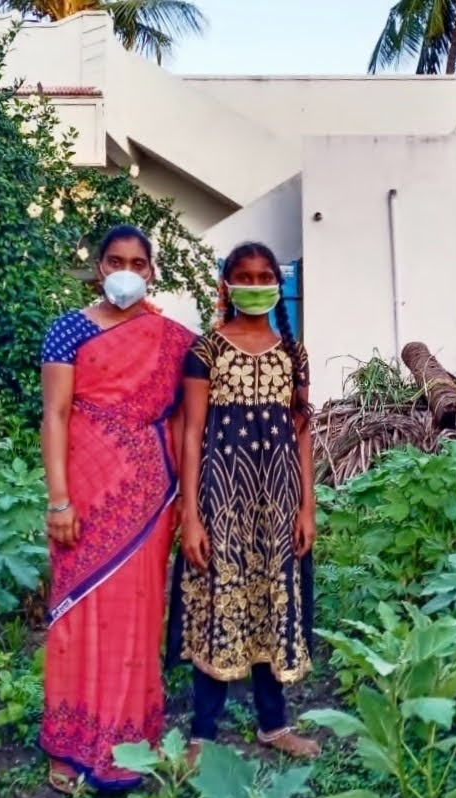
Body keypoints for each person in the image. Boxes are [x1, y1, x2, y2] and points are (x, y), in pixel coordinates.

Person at [38, 225, 196, 792]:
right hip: (83, 493)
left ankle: (130, 742)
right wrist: (58, 500)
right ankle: (69, 743)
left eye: (137, 262)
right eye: (115, 261)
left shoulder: (175, 340)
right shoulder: (68, 331)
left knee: (136, 618)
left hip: (147, 498)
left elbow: (187, 421)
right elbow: (55, 415)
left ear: (151, 271)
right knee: (75, 613)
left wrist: (187, 499)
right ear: (99, 266)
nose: (126, 272)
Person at [167, 241, 320, 763]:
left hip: (278, 502)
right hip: (222, 500)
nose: (255, 285)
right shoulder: (205, 351)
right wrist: (190, 514)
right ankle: (202, 734)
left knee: (271, 602)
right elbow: (192, 434)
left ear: (278, 283)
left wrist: (307, 507)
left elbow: (302, 432)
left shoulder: (293, 353)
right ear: (227, 285)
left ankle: (274, 726)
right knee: (220, 601)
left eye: (264, 276)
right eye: (245, 277)